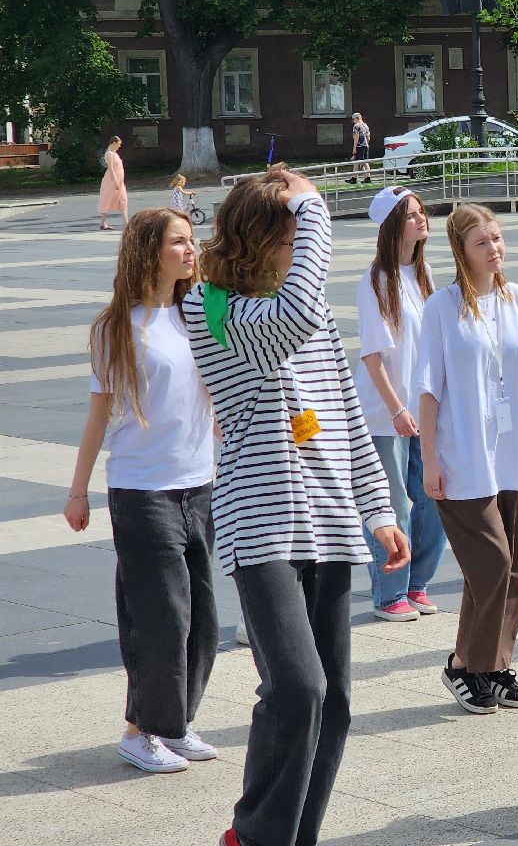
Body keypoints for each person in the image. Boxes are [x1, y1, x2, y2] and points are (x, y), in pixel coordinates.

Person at [183, 166, 408, 846]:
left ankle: (295, 837)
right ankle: (253, 835)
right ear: (262, 236)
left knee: (335, 702)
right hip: (263, 526)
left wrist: (380, 511)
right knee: (298, 688)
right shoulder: (213, 307)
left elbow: (342, 416)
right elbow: (296, 314)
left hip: (332, 523)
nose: (301, 248)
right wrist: (313, 207)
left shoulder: (300, 312)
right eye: (292, 235)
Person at [65, 208, 219, 774]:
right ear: (151, 252)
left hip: (199, 484)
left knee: (202, 616)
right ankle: (139, 731)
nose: (191, 250)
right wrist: (78, 491)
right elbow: (99, 414)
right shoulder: (118, 327)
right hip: (142, 490)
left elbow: (221, 398)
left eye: (192, 240)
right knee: (160, 615)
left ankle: (175, 724)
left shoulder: (205, 312)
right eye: (179, 242)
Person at [418, 204, 518, 714]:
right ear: (461, 249)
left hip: (512, 452)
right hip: (462, 456)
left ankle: (494, 666)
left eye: (498, 239)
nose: (494, 249)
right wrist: (429, 458)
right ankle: (463, 664)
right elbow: (429, 393)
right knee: (492, 563)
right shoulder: (442, 308)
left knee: (512, 567)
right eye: (482, 242)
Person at [355, 186, 446, 622]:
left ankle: (417, 582)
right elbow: (373, 355)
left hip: (424, 407)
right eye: (411, 215)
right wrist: (396, 408)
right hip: (385, 411)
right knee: (392, 503)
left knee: (432, 497)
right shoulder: (376, 280)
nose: (421, 219)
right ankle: (389, 591)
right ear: (393, 226)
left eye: (421, 212)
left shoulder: (424, 274)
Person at [99, 135, 128, 230]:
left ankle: (126, 222)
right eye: (119, 144)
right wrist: (115, 181)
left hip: (119, 181)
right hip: (111, 181)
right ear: (114, 143)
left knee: (122, 200)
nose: (119, 146)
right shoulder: (109, 154)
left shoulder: (114, 153)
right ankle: (102, 223)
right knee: (107, 200)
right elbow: (111, 168)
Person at [347, 112, 373, 185]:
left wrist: (354, 148)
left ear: (357, 118)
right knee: (360, 161)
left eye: (353, 119)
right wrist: (367, 144)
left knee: (363, 162)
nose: (353, 121)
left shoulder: (356, 126)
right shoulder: (365, 125)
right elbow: (368, 137)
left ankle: (367, 178)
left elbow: (356, 136)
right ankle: (354, 178)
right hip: (366, 145)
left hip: (359, 146)